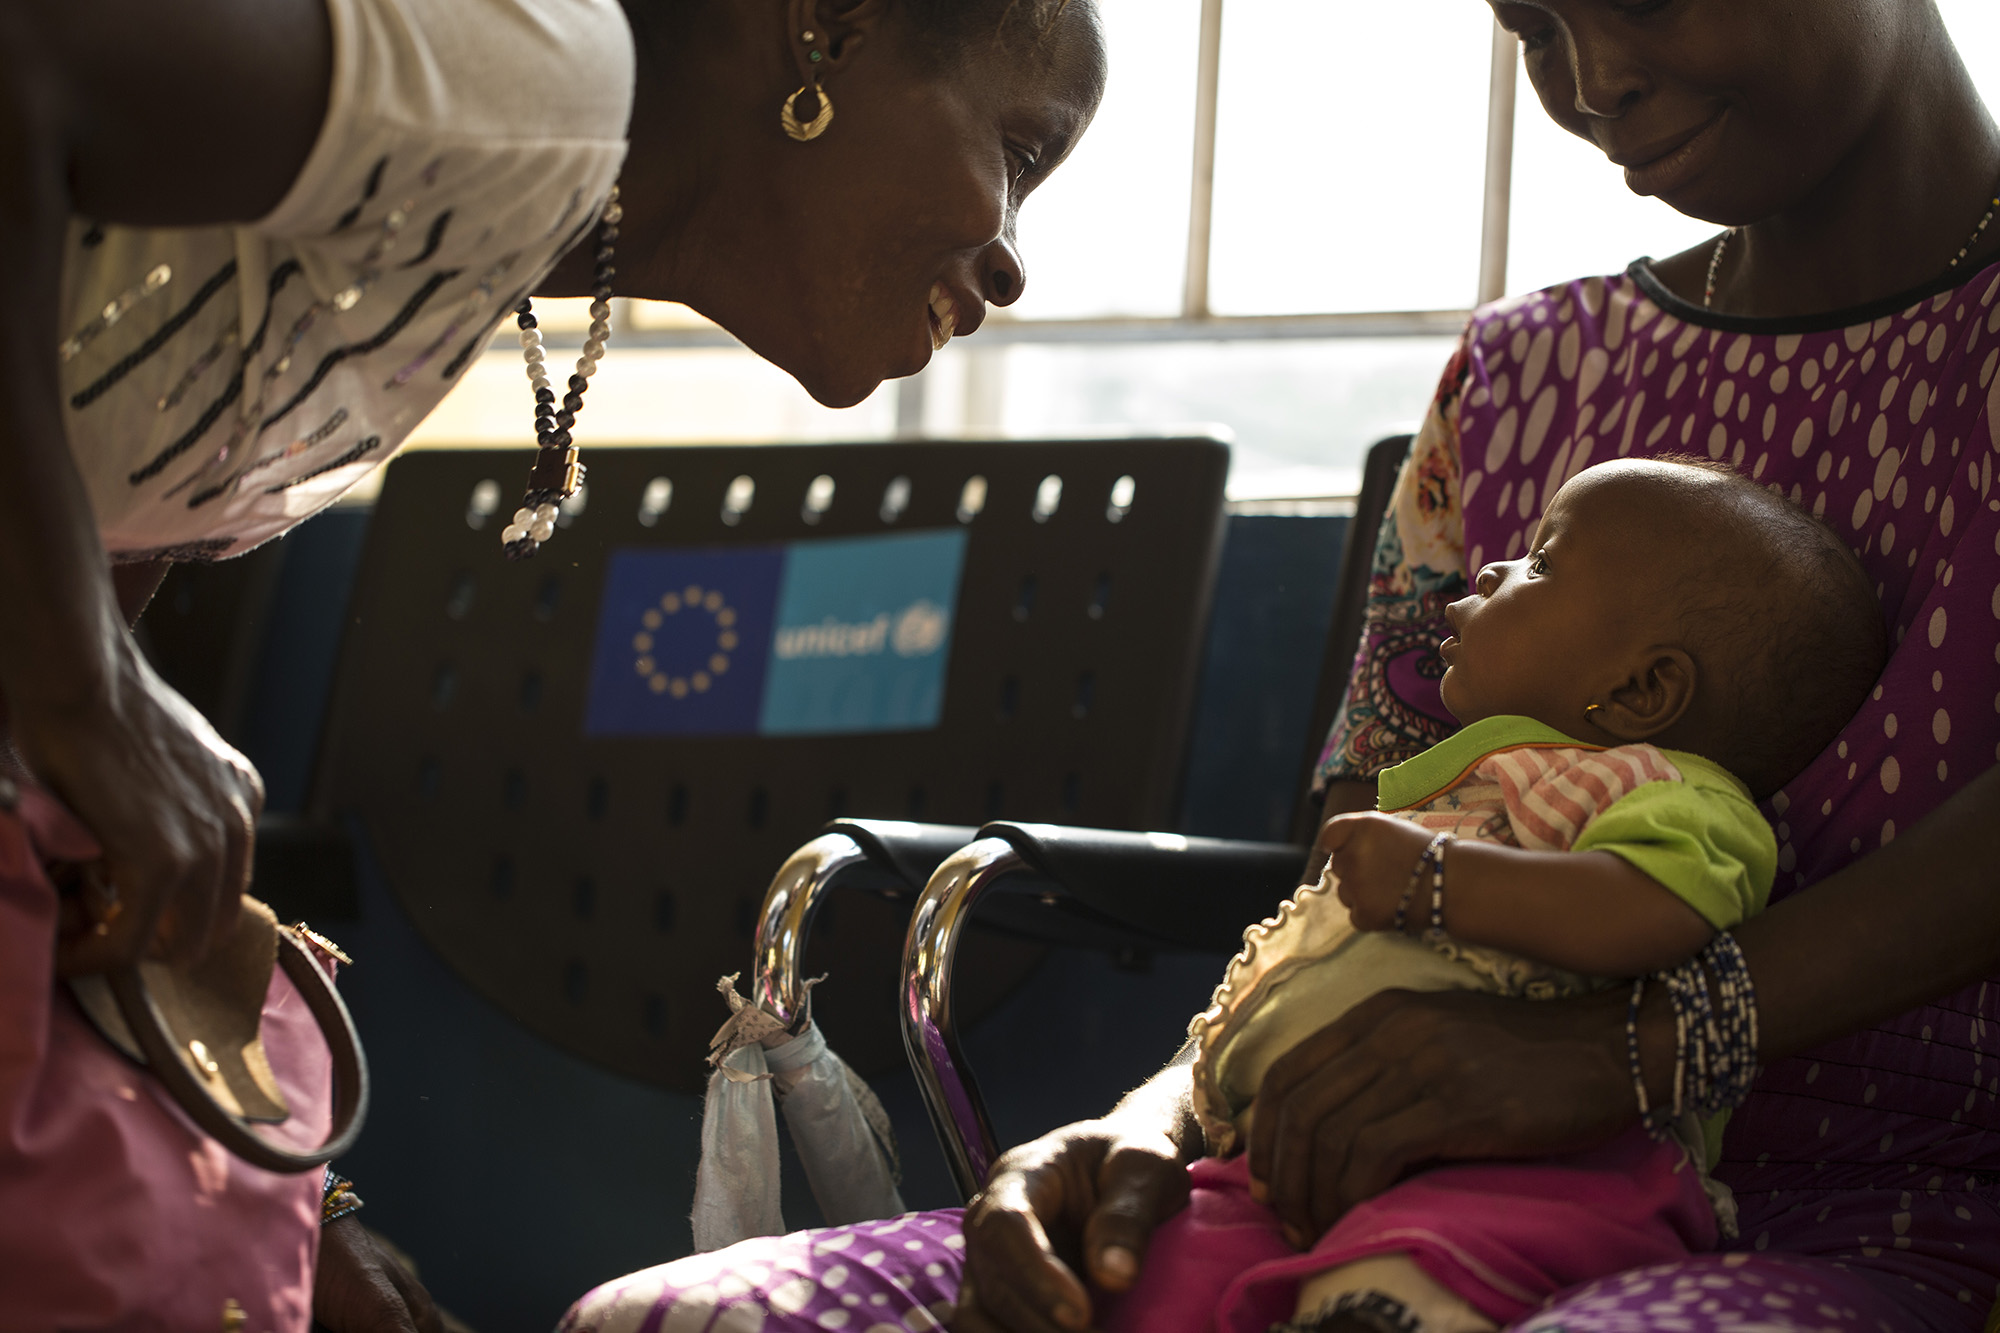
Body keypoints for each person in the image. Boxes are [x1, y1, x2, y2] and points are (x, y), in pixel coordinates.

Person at [555, 1, 2000, 1331]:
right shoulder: (1519, 382)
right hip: (1330, 1195)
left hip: (1908, 1214)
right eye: (1536, 25)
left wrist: (1614, 1057)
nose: (1598, 78)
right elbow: (1354, 875)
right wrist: (1153, 1122)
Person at [0, 0, 1105, 1329]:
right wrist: (93, 693)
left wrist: (271, 1201)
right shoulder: (542, 65)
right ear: (829, 31)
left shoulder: (466, 232)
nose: (1014, 265)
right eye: (1023, 150)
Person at [1132, 458, 1883, 1333]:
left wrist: (1439, 882)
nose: (1492, 569)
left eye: (1544, 564)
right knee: (1155, 1277)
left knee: (1412, 1270)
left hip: (1549, 1161)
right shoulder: (1473, 786)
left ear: (1643, 690)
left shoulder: (1668, 787)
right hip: (1300, 1151)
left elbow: (1655, 908)